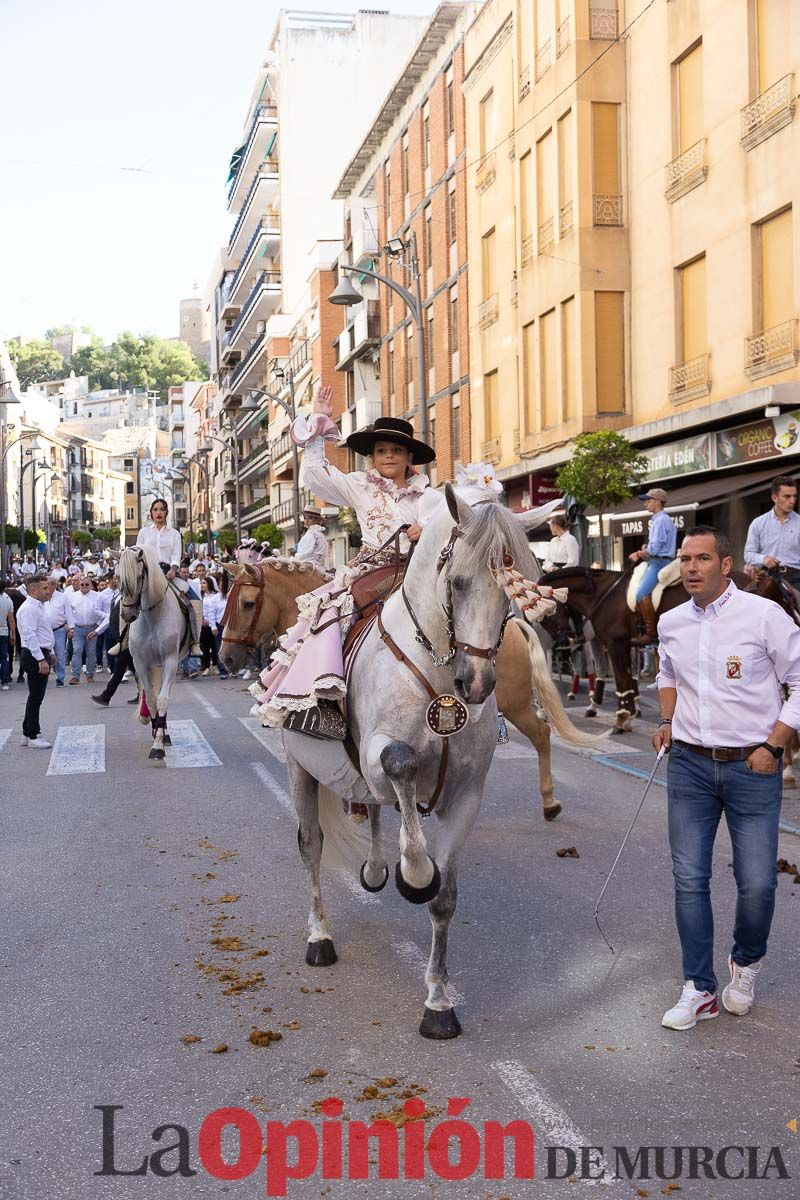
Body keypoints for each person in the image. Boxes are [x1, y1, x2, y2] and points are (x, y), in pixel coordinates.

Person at [653, 526, 800, 1031]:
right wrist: (667, 721)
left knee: (757, 883)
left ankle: (746, 961)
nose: (691, 567)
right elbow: (667, 674)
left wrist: (774, 744)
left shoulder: (764, 615)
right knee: (689, 879)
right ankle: (699, 987)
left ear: (726, 563)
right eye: (684, 559)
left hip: (753, 766)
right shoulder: (671, 621)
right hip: (690, 765)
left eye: (701, 559)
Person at [250, 386, 431, 738]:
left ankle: (481, 710)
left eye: (396, 450)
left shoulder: (429, 494)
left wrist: (427, 527)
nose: (388, 456)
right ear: (373, 458)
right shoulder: (360, 486)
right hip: (373, 572)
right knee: (332, 617)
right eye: (382, 451)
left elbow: (451, 522)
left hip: (419, 572)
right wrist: (319, 427)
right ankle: (326, 705)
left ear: (410, 457)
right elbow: (316, 476)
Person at [629, 487, 677, 645]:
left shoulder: (661, 520)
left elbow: (655, 549)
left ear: (658, 502)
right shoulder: (662, 520)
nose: (645, 504)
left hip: (658, 562)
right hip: (659, 560)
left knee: (640, 594)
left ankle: (650, 633)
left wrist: (639, 553)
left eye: (648, 501)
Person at [744, 475, 800, 602]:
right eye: (787, 496)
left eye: (794, 496)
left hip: (796, 578)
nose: (792, 501)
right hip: (767, 576)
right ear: (774, 497)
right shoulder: (758, 523)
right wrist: (764, 559)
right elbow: (748, 554)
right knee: (744, 603)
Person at [16, 573, 55, 748]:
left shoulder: (38, 607)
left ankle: (26, 732)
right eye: (45, 588)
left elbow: (43, 632)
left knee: (35, 696)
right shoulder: (28, 609)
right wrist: (41, 659)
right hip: (34, 655)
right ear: (33, 591)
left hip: (42, 652)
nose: (49, 591)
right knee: (36, 697)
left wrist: (51, 652)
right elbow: (30, 635)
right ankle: (34, 734)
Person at [66, 575, 103, 684]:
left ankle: (90, 675)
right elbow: (68, 613)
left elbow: (101, 612)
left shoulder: (97, 596)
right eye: (82, 584)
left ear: (91, 585)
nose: (84, 586)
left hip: (92, 628)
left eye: (87, 584)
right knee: (77, 651)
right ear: (79, 585)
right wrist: (69, 627)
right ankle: (75, 676)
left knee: (91, 652)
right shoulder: (72, 596)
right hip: (77, 628)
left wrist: (98, 626)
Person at [199, 576, 227, 676]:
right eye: (201, 583)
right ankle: (206, 666)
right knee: (205, 646)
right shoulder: (201, 596)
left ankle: (217, 666)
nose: (202, 585)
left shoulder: (217, 596)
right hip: (205, 624)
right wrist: (202, 620)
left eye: (204, 583)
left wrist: (213, 625)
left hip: (215, 623)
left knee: (216, 647)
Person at [44, 576, 69, 687]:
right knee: (45, 654)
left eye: (48, 584)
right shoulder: (41, 597)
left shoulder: (62, 597)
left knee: (59, 654)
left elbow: (69, 613)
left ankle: (60, 678)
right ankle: (44, 677)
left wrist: (71, 628)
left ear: (54, 585)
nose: (46, 587)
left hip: (58, 630)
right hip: (44, 631)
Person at [294, 505, 329, 572]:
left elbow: (303, 555)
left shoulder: (312, 534)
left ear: (317, 520)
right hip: (320, 568)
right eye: (304, 518)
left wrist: (293, 559)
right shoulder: (320, 534)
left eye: (309, 518)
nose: (306, 520)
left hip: (310, 569)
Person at [0, 579, 16, 691]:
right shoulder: (8, 601)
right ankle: (5, 681)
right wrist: (13, 634)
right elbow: (11, 620)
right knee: (3, 658)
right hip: (3, 632)